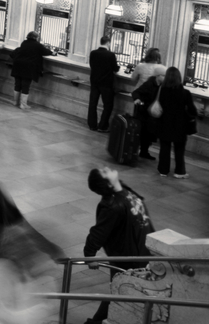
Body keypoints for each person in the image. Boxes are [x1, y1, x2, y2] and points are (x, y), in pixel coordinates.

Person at [82, 167, 154, 324]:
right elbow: (98, 233)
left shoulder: (123, 190)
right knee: (119, 292)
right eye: (104, 171)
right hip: (130, 258)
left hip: (142, 251)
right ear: (107, 183)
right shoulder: (112, 206)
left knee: (119, 292)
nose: (107, 168)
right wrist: (89, 256)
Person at [153, 67, 198, 178]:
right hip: (180, 125)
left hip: (164, 123)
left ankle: (163, 170)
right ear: (179, 77)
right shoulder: (185, 93)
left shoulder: (161, 91)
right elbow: (193, 110)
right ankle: (179, 171)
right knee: (179, 149)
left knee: (164, 147)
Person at [9, 32, 53, 110]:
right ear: (36, 37)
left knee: (17, 84)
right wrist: (52, 52)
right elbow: (47, 52)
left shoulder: (24, 42)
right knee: (25, 85)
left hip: (18, 65)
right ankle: (23, 104)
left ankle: (15, 102)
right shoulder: (37, 45)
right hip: (28, 67)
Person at [88, 36, 120, 132]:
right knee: (107, 105)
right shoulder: (111, 55)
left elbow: (91, 65)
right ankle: (102, 126)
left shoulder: (93, 53)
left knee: (93, 104)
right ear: (108, 43)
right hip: (106, 83)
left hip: (94, 82)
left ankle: (92, 125)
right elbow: (115, 68)